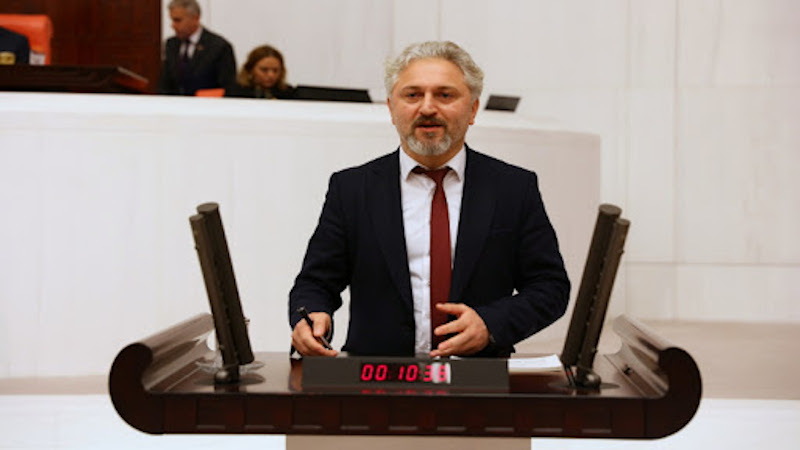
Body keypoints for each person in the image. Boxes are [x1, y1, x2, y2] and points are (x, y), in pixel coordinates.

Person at [289, 41, 569, 358]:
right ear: (391, 108)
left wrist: (490, 324)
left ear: (473, 109)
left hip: (479, 379)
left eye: (444, 95)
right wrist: (310, 316)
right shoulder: (352, 189)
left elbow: (550, 287)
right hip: (375, 378)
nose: (427, 108)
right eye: (412, 95)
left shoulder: (513, 188)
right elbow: (316, 282)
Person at [157, 0, 236, 95]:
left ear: (195, 18)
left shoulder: (219, 47)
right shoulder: (171, 44)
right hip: (175, 102)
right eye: (172, 20)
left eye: (178, 20)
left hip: (206, 102)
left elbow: (228, 88)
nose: (173, 25)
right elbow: (165, 83)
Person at [225, 45, 296, 99]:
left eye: (275, 70)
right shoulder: (236, 93)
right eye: (264, 70)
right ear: (250, 69)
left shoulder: (287, 93)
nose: (271, 75)